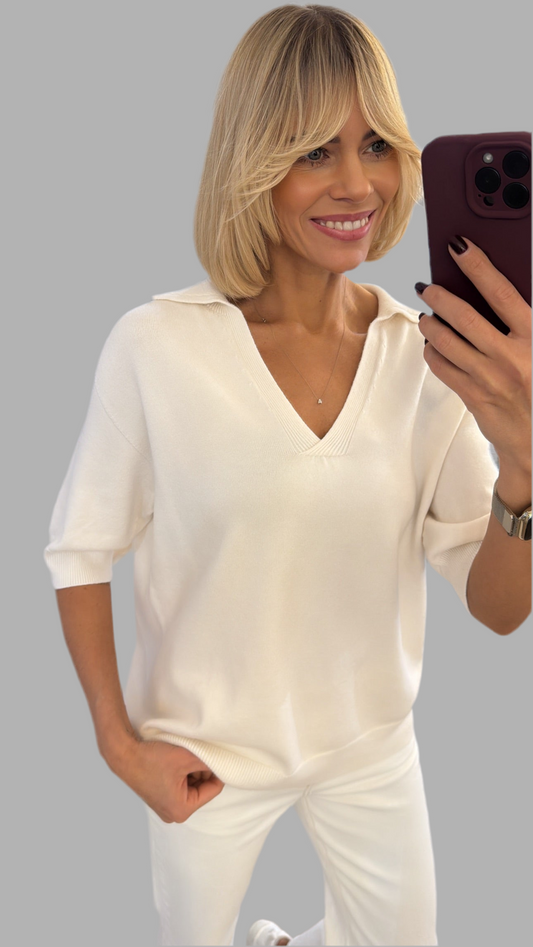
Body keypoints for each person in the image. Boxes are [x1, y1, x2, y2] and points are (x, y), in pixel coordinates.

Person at [43, 5, 531, 946]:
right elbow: (79, 550)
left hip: (369, 746)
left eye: (376, 144)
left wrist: (524, 464)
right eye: (313, 150)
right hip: (204, 756)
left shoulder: (421, 356)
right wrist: (120, 746)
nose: (356, 183)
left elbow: (499, 608)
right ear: (252, 162)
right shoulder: (155, 347)